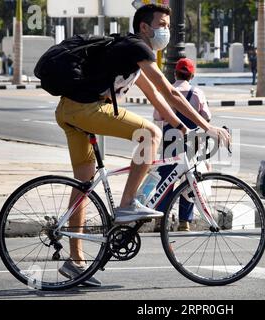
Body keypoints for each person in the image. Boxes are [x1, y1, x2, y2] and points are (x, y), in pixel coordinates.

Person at [55, 4, 230, 286]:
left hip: (68, 111)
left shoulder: (131, 51)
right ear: (145, 27)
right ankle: (127, 205)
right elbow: (169, 90)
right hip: (86, 110)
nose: (166, 30)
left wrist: (182, 127)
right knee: (150, 134)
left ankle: (75, 262)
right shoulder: (138, 47)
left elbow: (157, 97)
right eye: (162, 24)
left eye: (169, 25)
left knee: (83, 187)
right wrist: (207, 126)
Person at [153, 58, 212, 232]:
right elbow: (206, 118)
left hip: (169, 142)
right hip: (190, 143)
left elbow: (157, 117)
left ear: (174, 73)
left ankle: (160, 220)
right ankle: (184, 221)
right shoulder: (197, 94)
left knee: (165, 180)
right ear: (192, 75)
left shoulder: (166, 92)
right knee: (189, 181)